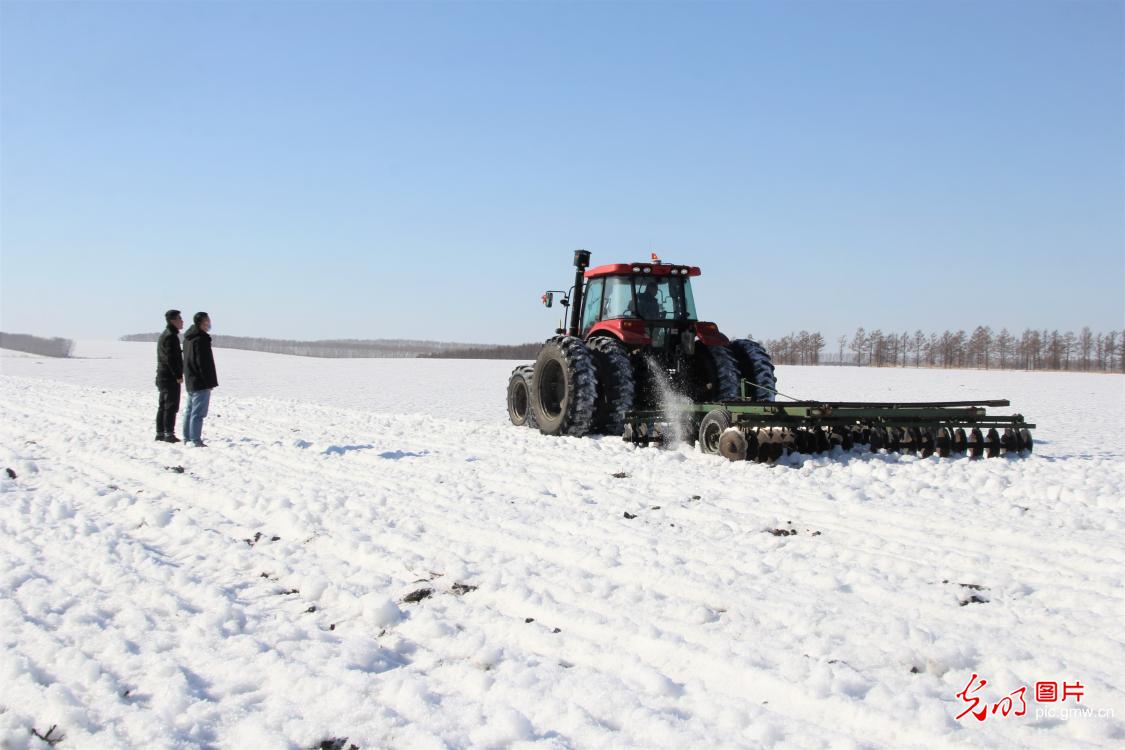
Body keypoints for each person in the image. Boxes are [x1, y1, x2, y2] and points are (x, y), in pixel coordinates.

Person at [182, 312, 218, 447]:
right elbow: (203, 363)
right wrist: (208, 382)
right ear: (203, 322)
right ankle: (195, 439)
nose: (209, 324)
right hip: (200, 381)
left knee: (189, 410)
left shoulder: (188, 338)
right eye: (208, 321)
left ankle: (187, 437)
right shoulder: (201, 339)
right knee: (198, 412)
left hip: (191, 379)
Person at [155, 309, 184, 442]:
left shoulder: (165, 335)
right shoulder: (171, 336)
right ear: (173, 321)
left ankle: (160, 433)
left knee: (163, 405)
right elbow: (171, 358)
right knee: (170, 406)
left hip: (162, 375)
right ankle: (168, 434)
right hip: (169, 376)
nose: (182, 321)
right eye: (179, 318)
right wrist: (178, 375)